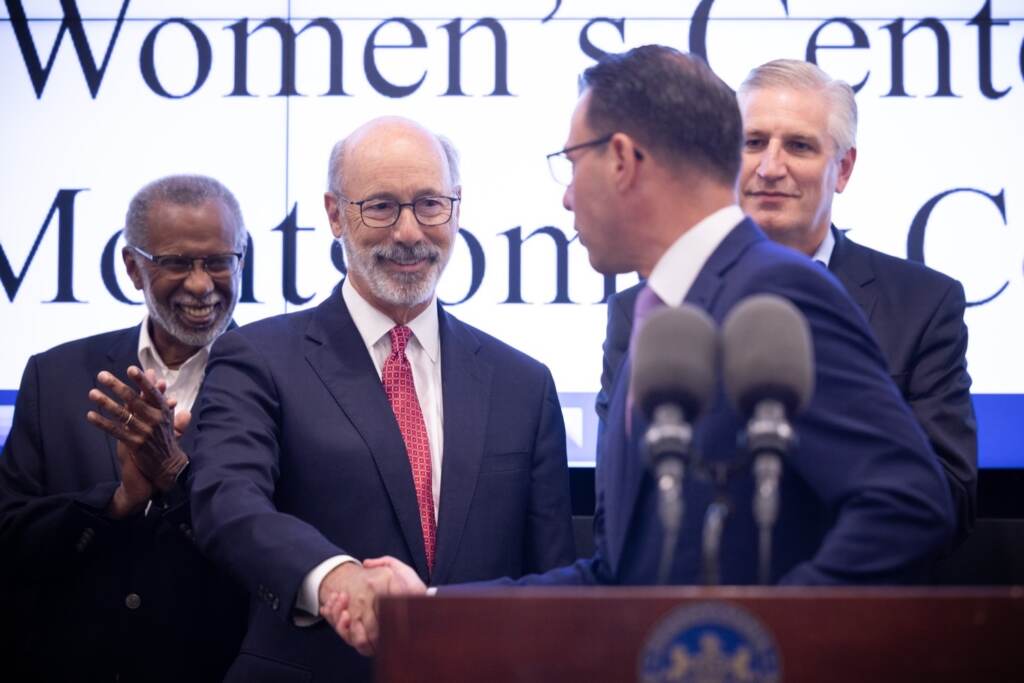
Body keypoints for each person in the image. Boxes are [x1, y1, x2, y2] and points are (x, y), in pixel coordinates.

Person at [323, 46, 956, 649]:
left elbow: (907, 504)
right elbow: (622, 580)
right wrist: (426, 609)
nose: (567, 195)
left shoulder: (774, 292)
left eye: (571, 164)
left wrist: (760, 649)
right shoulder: (657, 321)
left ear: (622, 160)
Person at [185, 116, 576, 682]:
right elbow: (226, 502)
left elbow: (552, 581)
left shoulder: (524, 384)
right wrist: (334, 577)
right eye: (382, 207)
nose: (410, 232)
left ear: (457, 207)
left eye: (429, 204)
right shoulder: (257, 357)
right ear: (335, 214)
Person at [598, 58, 976, 545]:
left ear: (842, 169)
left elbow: (952, 497)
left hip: (852, 606)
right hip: (693, 607)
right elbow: (619, 504)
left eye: (798, 146)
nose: (770, 168)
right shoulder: (648, 307)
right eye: (752, 143)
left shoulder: (923, 304)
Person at [0, 174, 248, 681]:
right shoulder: (56, 377)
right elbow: (9, 540)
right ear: (133, 267)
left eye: (218, 261)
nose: (201, 284)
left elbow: (278, 553)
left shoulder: (281, 380)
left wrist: (176, 476)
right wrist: (116, 504)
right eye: (177, 262)